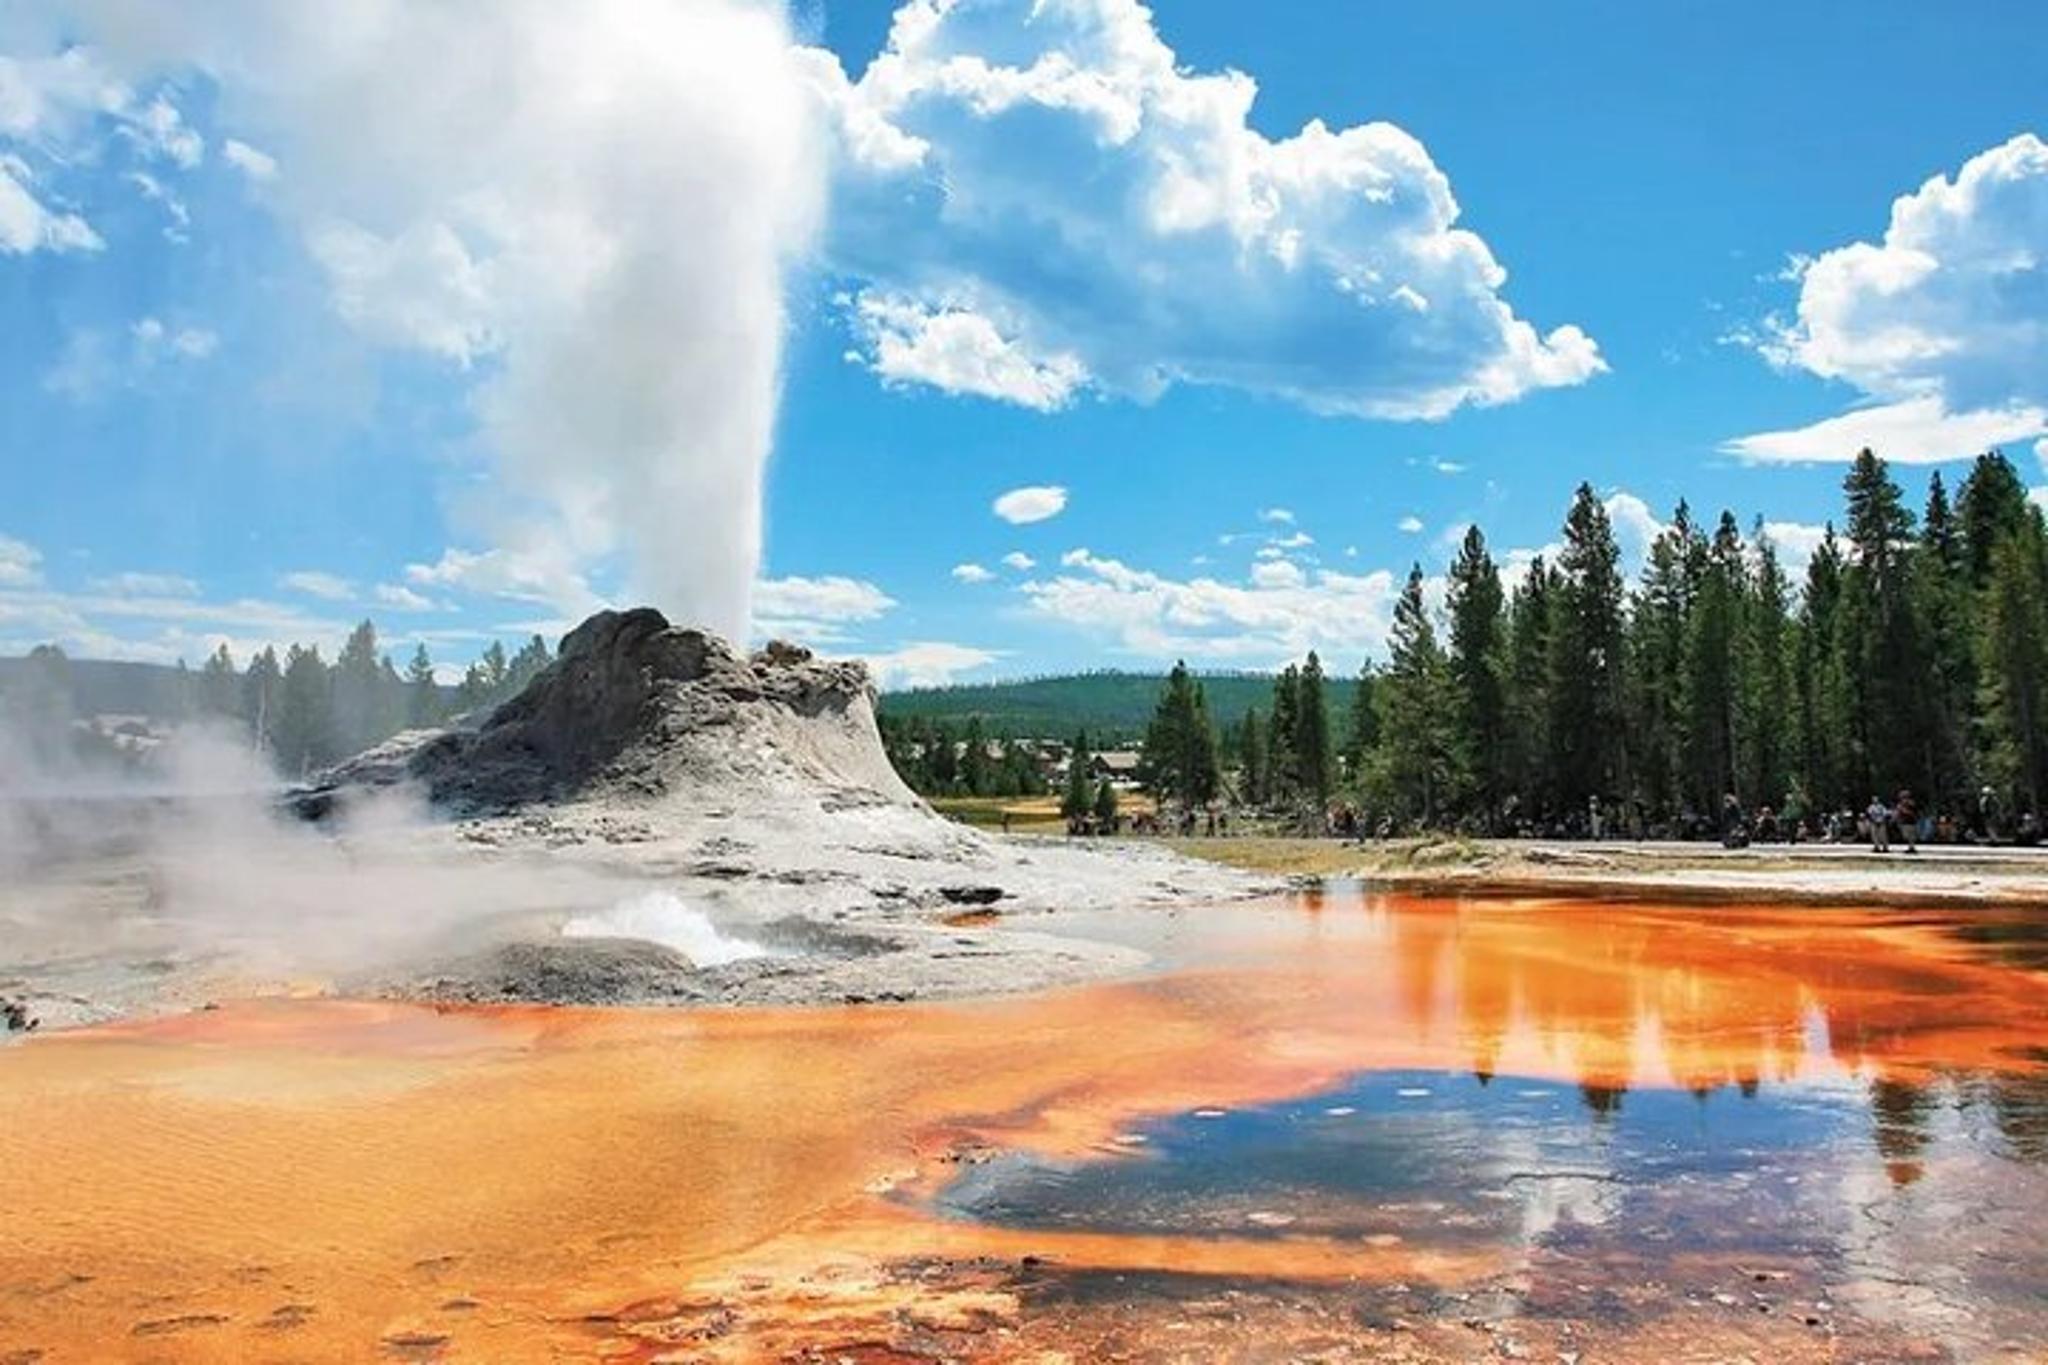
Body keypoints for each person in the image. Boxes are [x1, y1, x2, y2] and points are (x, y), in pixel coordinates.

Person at [1894, 789, 1918, 854]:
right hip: (1904, 821)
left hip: (1910, 821)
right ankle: (1910, 847)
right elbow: (1898, 812)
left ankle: (1912, 848)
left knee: (1911, 836)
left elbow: (1913, 812)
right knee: (1906, 836)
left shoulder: (1911, 803)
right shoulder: (1900, 804)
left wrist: (1903, 810)